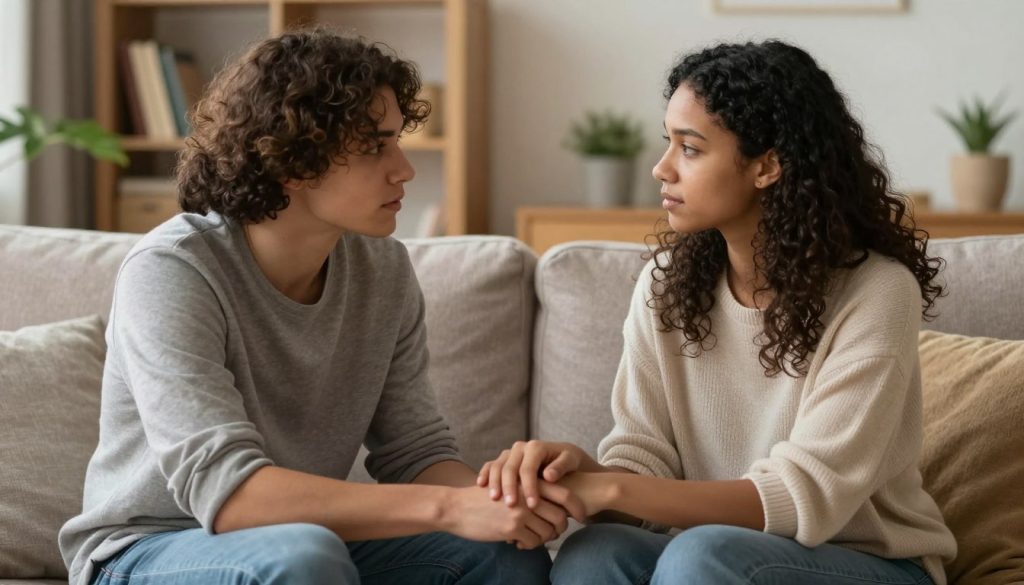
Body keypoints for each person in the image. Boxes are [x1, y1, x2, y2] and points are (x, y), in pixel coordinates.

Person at [59, 28, 563, 585]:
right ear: (293, 160)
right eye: (375, 146)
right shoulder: (173, 270)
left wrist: (508, 502)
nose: (404, 169)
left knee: (504, 554)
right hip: (150, 547)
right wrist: (450, 510)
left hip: (303, 541)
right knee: (300, 557)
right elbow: (230, 496)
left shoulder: (384, 270)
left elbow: (414, 454)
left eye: (396, 140)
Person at [479, 40, 957, 585]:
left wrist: (609, 488)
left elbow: (807, 497)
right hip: (714, 555)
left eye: (691, 148)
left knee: (700, 556)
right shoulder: (666, 289)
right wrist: (574, 476)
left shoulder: (877, 292)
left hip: (871, 562)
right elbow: (645, 465)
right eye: (669, 144)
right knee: (595, 551)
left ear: (767, 165)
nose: (662, 169)